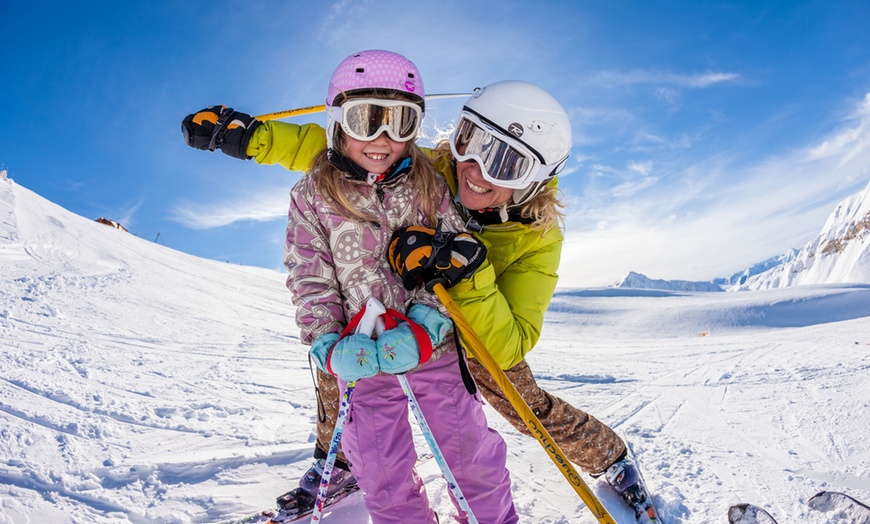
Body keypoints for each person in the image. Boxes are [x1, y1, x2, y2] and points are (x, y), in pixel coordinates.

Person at [182, 67, 653, 520]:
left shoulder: (538, 236)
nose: (477, 170)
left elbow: (512, 342)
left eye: (506, 162)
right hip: (394, 310)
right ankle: (342, 464)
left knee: (517, 397)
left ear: (536, 178)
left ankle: (609, 456)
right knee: (339, 366)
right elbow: (342, 149)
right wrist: (252, 137)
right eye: (472, 142)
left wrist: (467, 275)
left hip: (477, 328)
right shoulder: (430, 167)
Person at [184, 49, 517, 524]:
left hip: (434, 350)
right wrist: (325, 339)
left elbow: (449, 256)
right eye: (365, 119)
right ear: (338, 123)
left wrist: (425, 323)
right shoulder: (312, 194)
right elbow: (309, 274)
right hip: (358, 354)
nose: (382, 139)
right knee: (382, 473)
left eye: (400, 123)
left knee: (471, 460)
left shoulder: (429, 184)